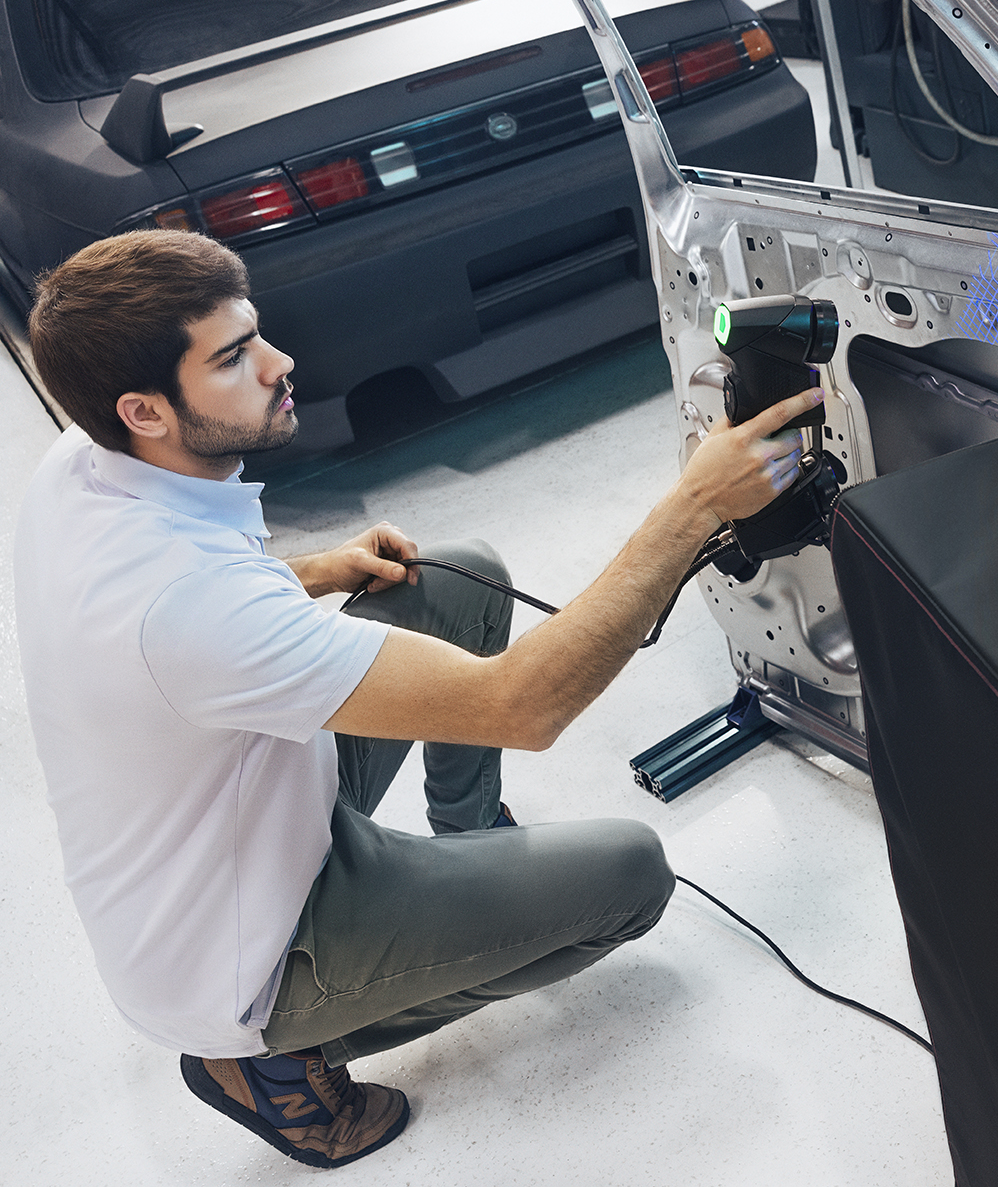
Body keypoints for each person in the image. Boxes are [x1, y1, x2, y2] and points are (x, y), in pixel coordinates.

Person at [11, 230, 819, 1168]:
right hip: (249, 947)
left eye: (255, 335)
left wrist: (311, 573)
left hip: (246, 808)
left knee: (456, 579)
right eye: (234, 358)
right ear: (144, 409)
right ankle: (269, 1063)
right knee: (633, 878)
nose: (280, 366)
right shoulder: (185, 609)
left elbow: (187, 616)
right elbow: (524, 707)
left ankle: (468, 845)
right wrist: (695, 508)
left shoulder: (85, 460)